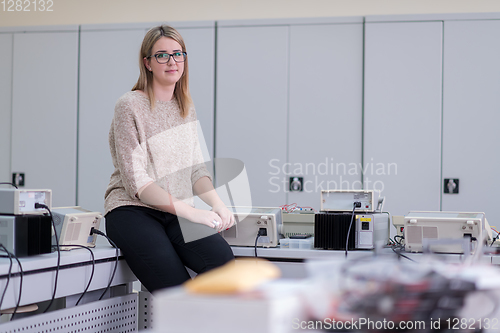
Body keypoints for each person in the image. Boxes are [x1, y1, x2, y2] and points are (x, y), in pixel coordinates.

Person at [104, 25, 235, 293]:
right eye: (162, 55)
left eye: (178, 54)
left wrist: (218, 206)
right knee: (176, 287)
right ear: (148, 63)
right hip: (132, 210)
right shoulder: (129, 105)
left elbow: (196, 170)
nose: (172, 61)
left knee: (223, 263)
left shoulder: (185, 106)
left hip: (174, 212)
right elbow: (136, 182)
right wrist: (193, 213)